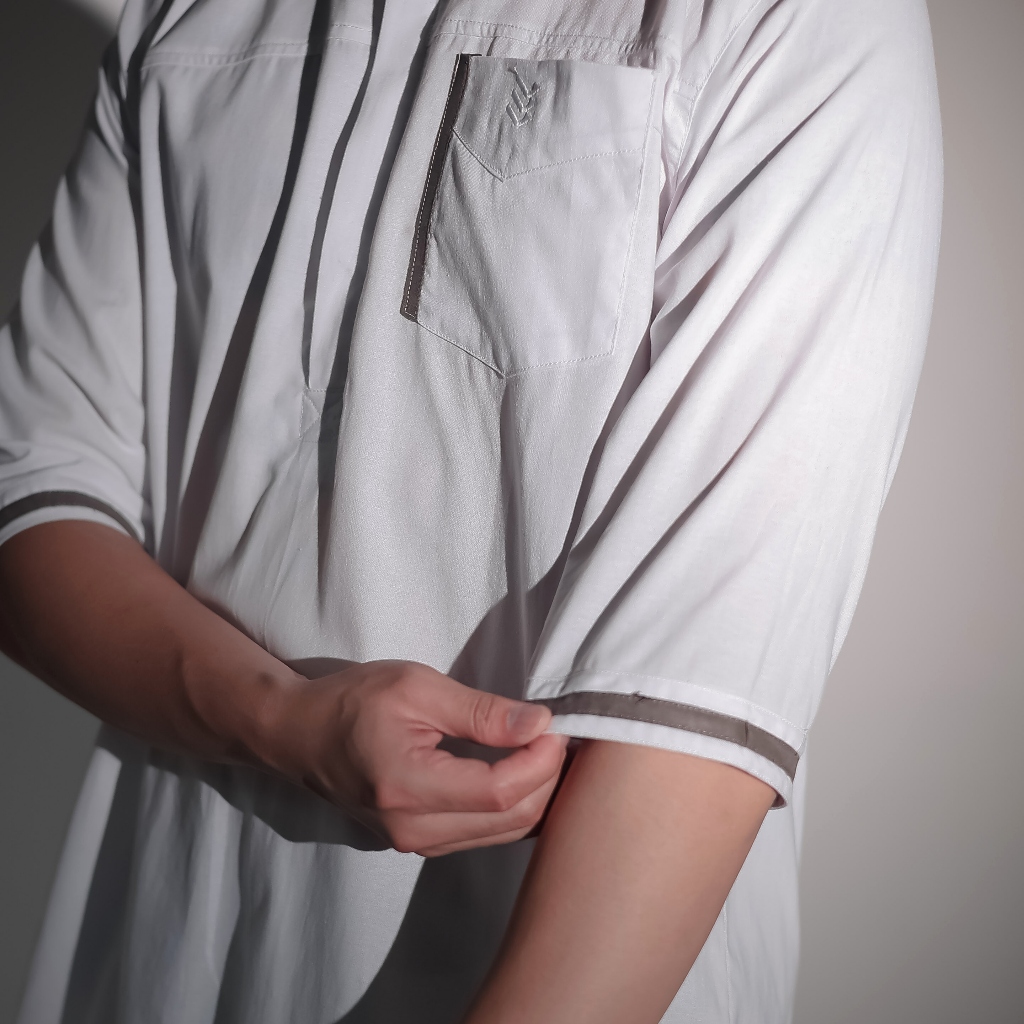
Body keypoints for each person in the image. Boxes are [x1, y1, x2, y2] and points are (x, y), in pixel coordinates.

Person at [0, 0, 942, 1019]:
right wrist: (281, 719)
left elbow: (700, 696)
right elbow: (29, 487)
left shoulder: (798, 19)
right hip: (158, 953)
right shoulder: (178, 19)